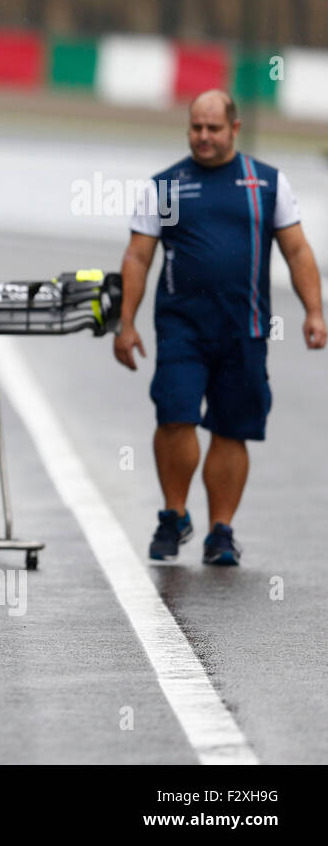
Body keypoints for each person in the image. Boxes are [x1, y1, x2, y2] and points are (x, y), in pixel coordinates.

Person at [115, 89, 324, 565]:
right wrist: (125, 323)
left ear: (234, 128)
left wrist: (314, 311)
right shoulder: (165, 187)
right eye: (195, 127)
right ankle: (174, 514)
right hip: (181, 329)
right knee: (175, 415)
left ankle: (221, 532)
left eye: (213, 128)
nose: (203, 137)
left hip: (245, 329)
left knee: (232, 430)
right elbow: (137, 257)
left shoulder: (266, 182)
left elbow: (297, 251)